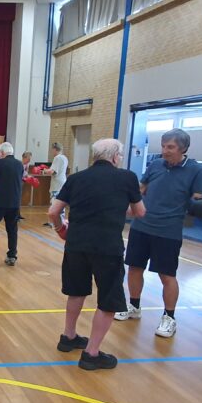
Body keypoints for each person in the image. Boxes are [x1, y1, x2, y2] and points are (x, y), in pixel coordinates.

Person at [47, 138, 145, 370]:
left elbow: (53, 211)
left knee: (76, 291)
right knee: (108, 299)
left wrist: (60, 229)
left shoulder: (76, 178)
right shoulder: (127, 177)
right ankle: (91, 353)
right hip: (107, 247)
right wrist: (116, 206)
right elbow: (139, 212)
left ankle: (68, 337)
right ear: (115, 157)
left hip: (76, 244)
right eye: (120, 155)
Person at [116, 128, 202, 338]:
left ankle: (169, 317)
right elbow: (140, 189)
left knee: (167, 275)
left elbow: (199, 197)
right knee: (134, 268)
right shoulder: (156, 165)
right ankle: (134, 306)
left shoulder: (197, 169)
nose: (165, 150)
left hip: (168, 230)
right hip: (141, 225)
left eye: (170, 147)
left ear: (183, 148)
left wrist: (199, 205)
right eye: (163, 146)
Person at [42, 142, 69, 225]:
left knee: (55, 202)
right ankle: (60, 221)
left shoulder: (57, 158)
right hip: (63, 182)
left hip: (57, 184)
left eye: (52, 150)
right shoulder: (65, 158)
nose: (52, 152)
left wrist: (44, 170)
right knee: (61, 202)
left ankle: (55, 222)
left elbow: (52, 171)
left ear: (55, 149)